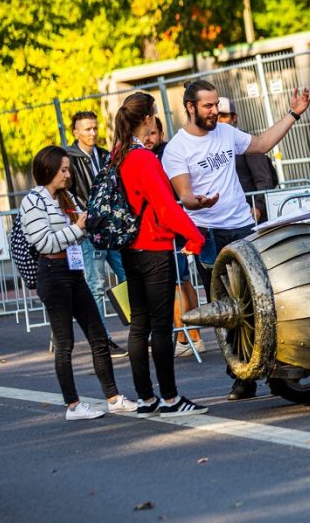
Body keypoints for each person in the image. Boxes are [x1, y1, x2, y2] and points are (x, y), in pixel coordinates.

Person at [162, 79, 310, 400]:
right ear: (190, 108)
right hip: (209, 235)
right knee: (227, 310)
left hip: (242, 227)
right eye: (208, 106)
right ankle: (242, 376)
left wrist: (293, 115)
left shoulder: (226, 133)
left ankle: (272, 370)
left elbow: (261, 144)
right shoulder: (177, 149)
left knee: (261, 301)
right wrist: (196, 202)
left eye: (217, 105)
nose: (215, 112)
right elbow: (184, 194)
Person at [19, 145, 138, 420]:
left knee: (98, 335)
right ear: (47, 170)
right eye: (62, 169)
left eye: (68, 169)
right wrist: (78, 228)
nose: (67, 174)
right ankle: (72, 405)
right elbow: (43, 241)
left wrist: (87, 225)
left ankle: (113, 397)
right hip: (51, 271)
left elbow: (79, 231)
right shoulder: (33, 201)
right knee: (65, 342)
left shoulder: (66, 197)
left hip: (72, 270)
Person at [112, 92, 208, 418]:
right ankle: (170, 398)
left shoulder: (119, 155)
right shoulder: (143, 159)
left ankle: (146, 398)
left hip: (129, 248)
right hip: (153, 248)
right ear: (148, 118)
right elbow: (166, 207)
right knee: (161, 326)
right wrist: (195, 236)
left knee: (138, 326)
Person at [67, 110, 128, 358]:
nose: (92, 133)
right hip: (90, 230)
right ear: (76, 132)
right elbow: (67, 194)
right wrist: (79, 220)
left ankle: (139, 330)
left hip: (110, 227)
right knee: (95, 284)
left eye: (94, 128)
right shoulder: (69, 159)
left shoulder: (104, 155)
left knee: (127, 275)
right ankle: (101, 339)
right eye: (87, 129)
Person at [144, 116, 204, 358]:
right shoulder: (157, 154)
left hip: (173, 224)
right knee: (183, 280)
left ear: (161, 134)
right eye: (145, 134)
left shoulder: (164, 154)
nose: (148, 139)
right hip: (174, 223)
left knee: (178, 282)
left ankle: (185, 336)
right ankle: (191, 335)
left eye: (153, 133)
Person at [216, 97, 279, 224]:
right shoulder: (213, 145)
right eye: (215, 116)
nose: (218, 120)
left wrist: (258, 208)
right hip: (224, 220)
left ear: (234, 118)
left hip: (250, 217)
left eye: (223, 116)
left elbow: (264, 178)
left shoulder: (246, 142)